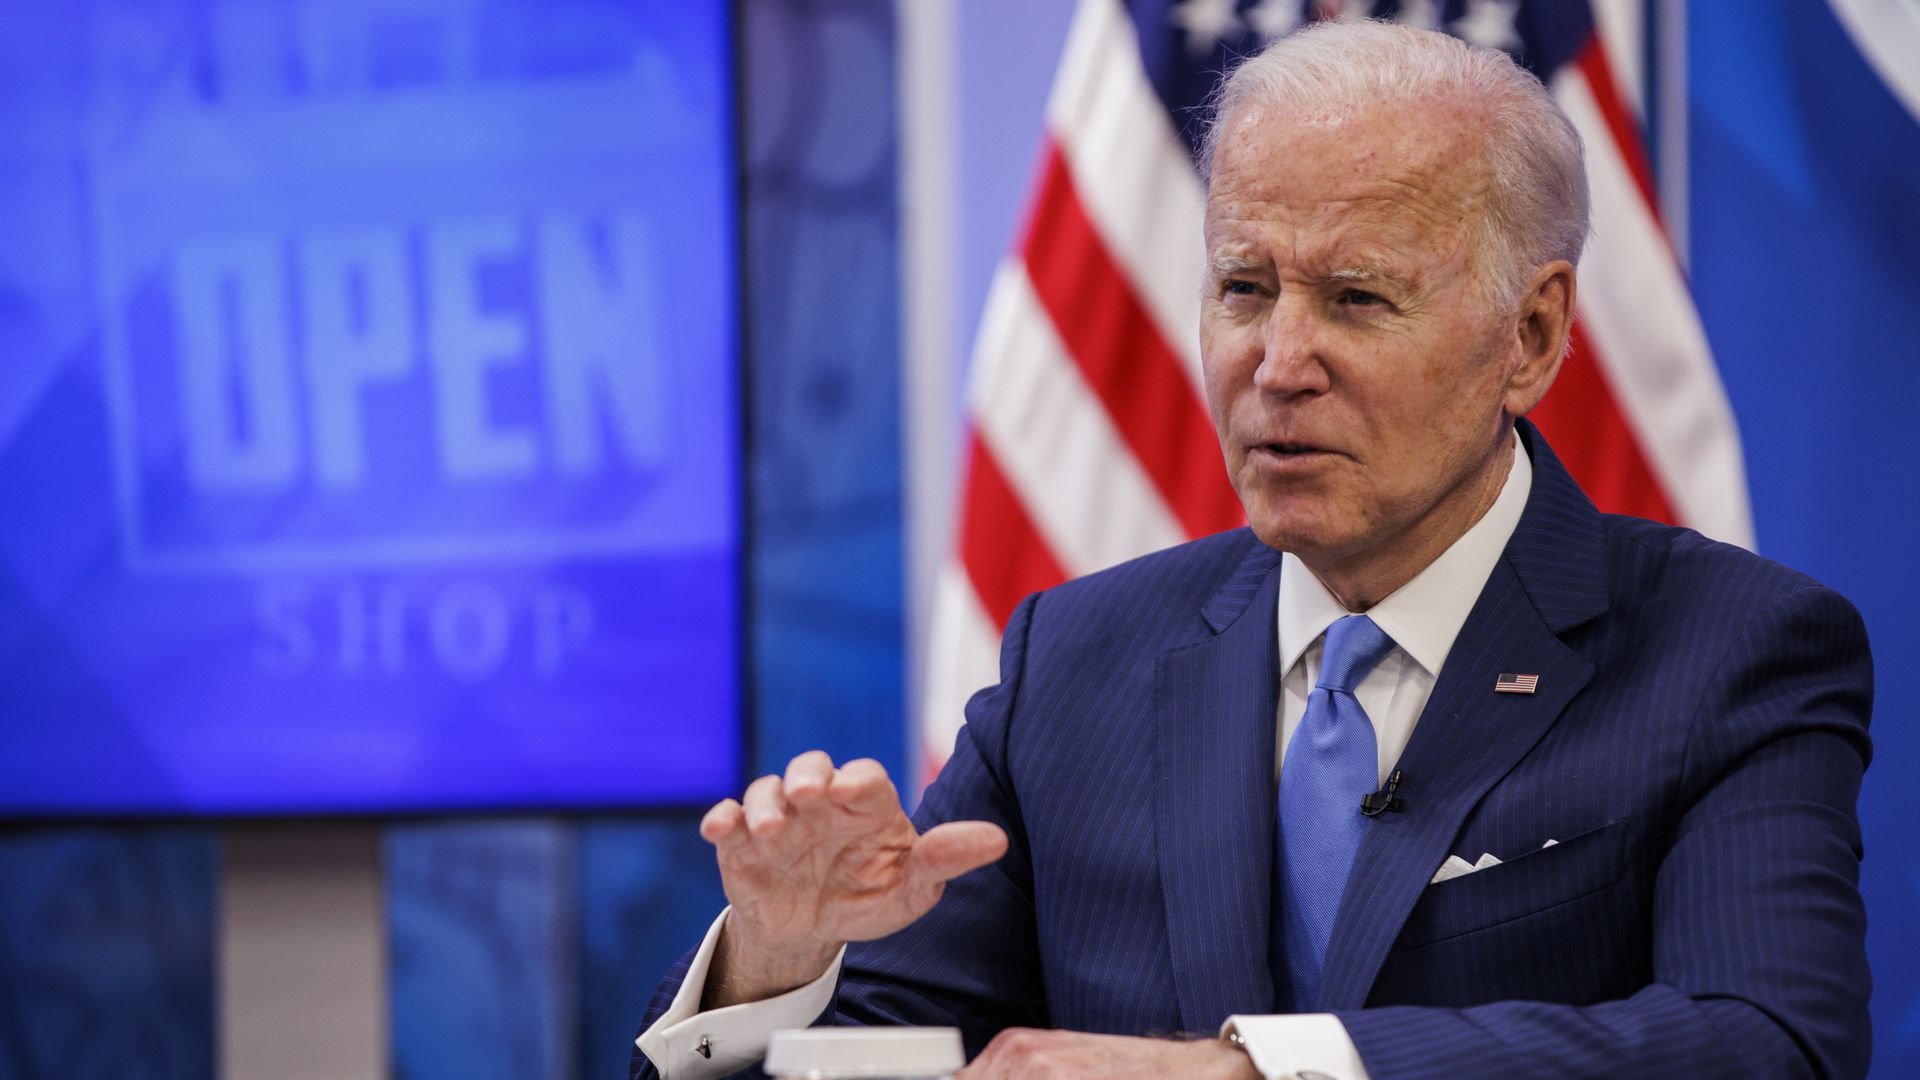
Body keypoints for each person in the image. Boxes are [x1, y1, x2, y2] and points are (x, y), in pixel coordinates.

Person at [632, 20, 1873, 1080]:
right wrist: (780, 964)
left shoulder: (1732, 651)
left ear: (1531, 339)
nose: (1276, 366)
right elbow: (902, 1045)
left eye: (1357, 298)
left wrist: (1255, 1070)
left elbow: (1767, 1040)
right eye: (1243, 288)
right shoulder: (1076, 660)